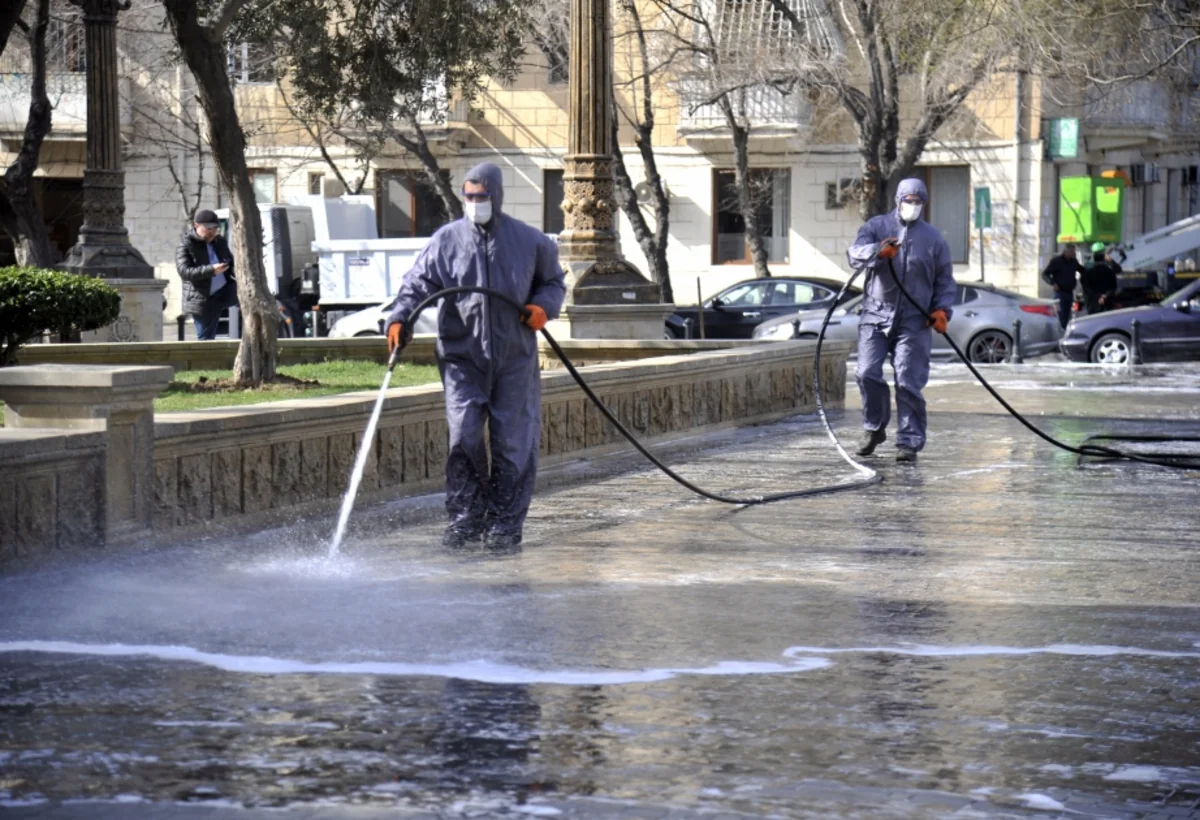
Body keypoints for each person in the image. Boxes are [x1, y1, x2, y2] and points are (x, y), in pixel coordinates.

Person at [385, 163, 566, 549]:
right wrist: (399, 318)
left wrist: (542, 307)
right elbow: (417, 284)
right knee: (463, 436)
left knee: (512, 442)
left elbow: (553, 282)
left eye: (481, 197)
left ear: (496, 196)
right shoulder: (445, 241)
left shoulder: (531, 242)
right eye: (468, 197)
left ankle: (504, 523)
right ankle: (466, 518)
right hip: (461, 357)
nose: (474, 203)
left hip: (513, 358)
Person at [847, 178, 957, 463]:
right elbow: (854, 253)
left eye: (918, 201)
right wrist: (877, 252)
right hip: (876, 313)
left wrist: (942, 309)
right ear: (897, 200)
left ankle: (908, 441)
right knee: (866, 373)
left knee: (908, 380)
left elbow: (944, 278)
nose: (913, 206)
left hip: (915, 318)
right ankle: (874, 428)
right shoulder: (876, 227)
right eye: (908, 200)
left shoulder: (933, 239)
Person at [176, 209, 238, 340]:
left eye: (216, 228)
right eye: (209, 228)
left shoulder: (219, 241)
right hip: (202, 298)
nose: (213, 232)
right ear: (196, 225)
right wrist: (211, 270)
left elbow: (230, 260)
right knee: (205, 338)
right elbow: (184, 272)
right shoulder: (186, 245)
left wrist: (229, 265)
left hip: (222, 292)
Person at [1041, 245, 1085, 328]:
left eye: (1074, 252)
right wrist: (1053, 283)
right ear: (1066, 252)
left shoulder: (1073, 261)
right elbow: (1045, 274)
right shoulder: (1057, 261)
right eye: (1072, 252)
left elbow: (1082, 270)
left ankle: (1064, 332)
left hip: (1069, 292)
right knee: (1059, 315)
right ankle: (1056, 332)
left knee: (1067, 315)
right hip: (1059, 293)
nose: (1074, 254)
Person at [1082, 247, 1121, 314]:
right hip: (1107, 304)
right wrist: (1111, 260)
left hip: (1093, 306)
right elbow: (1118, 271)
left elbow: (1086, 289)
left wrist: (1098, 297)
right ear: (1104, 260)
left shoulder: (1087, 274)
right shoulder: (1109, 272)